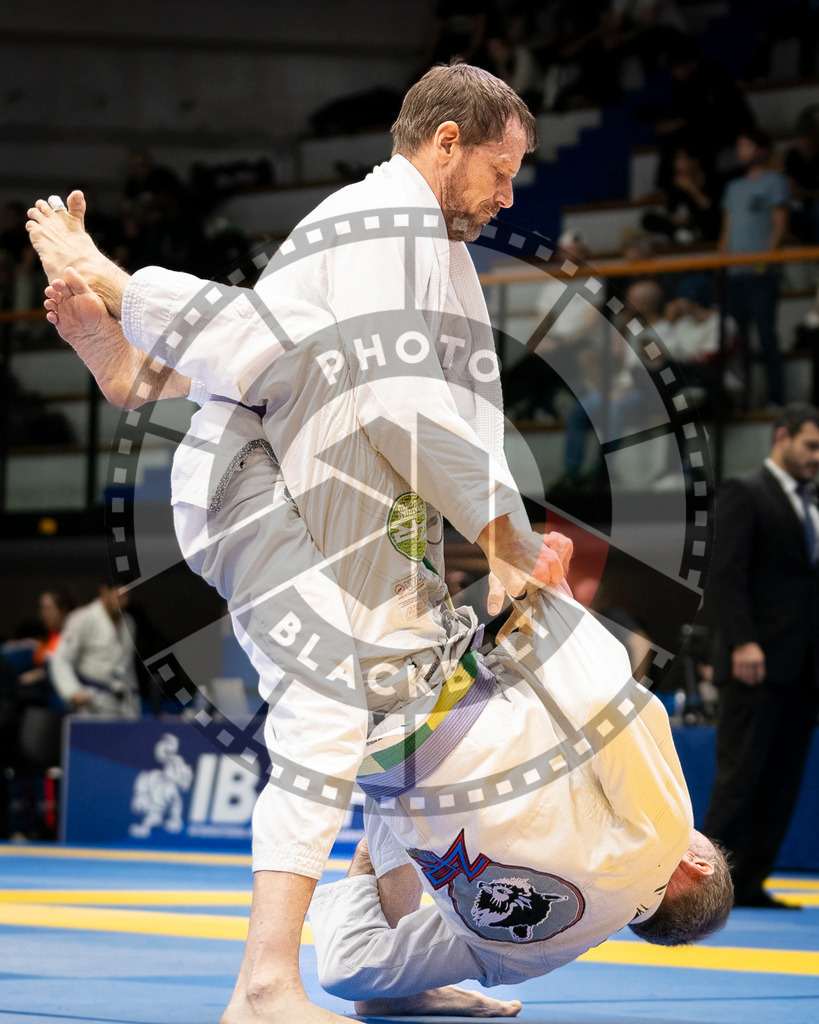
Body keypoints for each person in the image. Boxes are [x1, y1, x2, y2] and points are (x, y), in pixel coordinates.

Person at [29, 64, 576, 1024]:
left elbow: (464, 413)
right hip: (254, 483)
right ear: (443, 142)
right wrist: (499, 536)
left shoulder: (436, 256)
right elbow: (380, 393)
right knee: (327, 706)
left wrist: (512, 540)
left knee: (408, 726)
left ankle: (381, 966)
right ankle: (265, 987)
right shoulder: (377, 219)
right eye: (500, 167)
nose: (509, 193)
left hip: (333, 491)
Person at [308, 580, 732, 1014]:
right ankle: (399, 995)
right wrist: (363, 870)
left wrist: (551, 598)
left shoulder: (666, 836)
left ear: (698, 864)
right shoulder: (531, 957)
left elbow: (605, 702)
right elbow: (349, 971)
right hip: (376, 762)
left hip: (443, 690)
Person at [703, 403, 819, 909]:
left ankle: (749, 883)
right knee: (740, 778)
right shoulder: (746, 492)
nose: (817, 457)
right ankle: (704, 889)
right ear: (781, 438)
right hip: (755, 661)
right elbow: (726, 574)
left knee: (782, 781)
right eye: (811, 446)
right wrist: (741, 640)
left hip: (803, 665)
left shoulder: (811, 504)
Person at [502, 230, 605, 423]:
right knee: (523, 367)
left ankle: (537, 408)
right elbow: (542, 323)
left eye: (576, 252)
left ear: (584, 255)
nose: (571, 257)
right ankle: (511, 410)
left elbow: (589, 327)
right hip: (557, 345)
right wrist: (534, 343)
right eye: (567, 252)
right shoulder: (551, 286)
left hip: (580, 343)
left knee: (542, 366)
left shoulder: (593, 284)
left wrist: (558, 342)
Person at [719, 128, 789, 409]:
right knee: (737, 341)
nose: (741, 151)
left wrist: (765, 262)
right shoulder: (733, 187)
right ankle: (743, 400)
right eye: (739, 145)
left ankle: (776, 398)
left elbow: (780, 224)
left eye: (746, 145)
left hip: (761, 274)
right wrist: (721, 263)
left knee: (767, 335)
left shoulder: (775, 182)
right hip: (735, 273)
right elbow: (727, 230)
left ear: (762, 150)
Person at [49, 582, 140, 718]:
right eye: (119, 595)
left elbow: (127, 666)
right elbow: (61, 658)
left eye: (127, 596)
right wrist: (73, 692)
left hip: (124, 702)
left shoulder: (129, 622)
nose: (124, 601)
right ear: (104, 591)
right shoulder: (83, 617)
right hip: (93, 702)